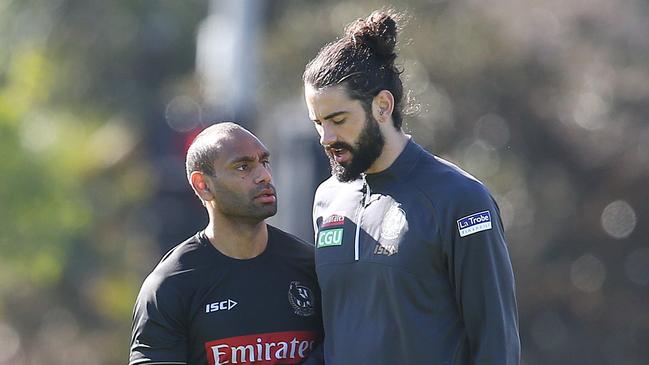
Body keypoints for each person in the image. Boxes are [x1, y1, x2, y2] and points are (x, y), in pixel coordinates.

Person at [302, 9, 520, 365]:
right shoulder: (327, 200)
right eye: (318, 123)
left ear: (382, 106)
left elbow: (496, 342)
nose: (327, 138)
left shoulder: (461, 199)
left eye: (338, 120)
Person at [129, 122, 323, 365]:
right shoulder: (172, 284)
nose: (264, 175)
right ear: (203, 185)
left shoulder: (312, 267)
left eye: (264, 162)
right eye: (243, 167)